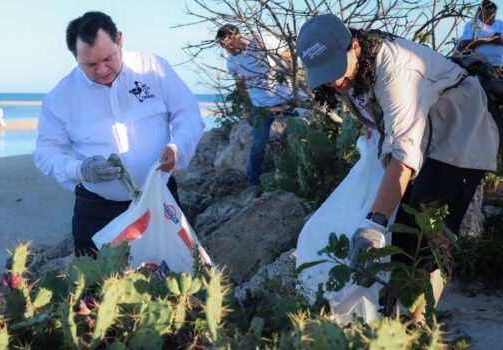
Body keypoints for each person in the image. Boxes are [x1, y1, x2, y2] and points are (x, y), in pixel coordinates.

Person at [297, 14, 499, 322]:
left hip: (460, 134)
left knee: (427, 229)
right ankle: (396, 317)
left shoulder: (395, 70)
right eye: (325, 76)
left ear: (354, 46)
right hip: (424, 135)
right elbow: (376, 114)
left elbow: (403, 155)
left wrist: (372, 225)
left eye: (336, 70)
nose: (335, 81)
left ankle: (418, 323)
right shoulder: (354, 69)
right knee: (401, 231)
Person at [34, 11, 204, 257]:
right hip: (96, 210)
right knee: (95, 291)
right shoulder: (60, 97)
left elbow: (188, 114)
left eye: (108, 59)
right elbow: (45, 153)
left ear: (120, 40)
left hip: (160, 200)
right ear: (75, 56)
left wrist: (177, 147)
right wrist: (80, 170)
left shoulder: (153, 68)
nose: (102, 70)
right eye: (90, 64)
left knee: (169, 282)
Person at [216, 24, 298, 197]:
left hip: (287, 99)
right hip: (261, 106)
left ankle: (302, 174)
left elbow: (288, 55)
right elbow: (241, 85)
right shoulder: (232, 61)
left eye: (228, 45)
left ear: (237, 37)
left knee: (301, 134)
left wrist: (292, 78)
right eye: (223, 47)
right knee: (258, 145)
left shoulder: (262, 40)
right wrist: (247, 108)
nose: (228, 50)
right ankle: (252, 183)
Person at [458, 0, 503, 67]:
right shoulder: (473, 24)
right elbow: (464, 43)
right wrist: (486, 40)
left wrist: (498, 41)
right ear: (480, 13)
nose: (491, 17)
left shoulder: (500, 24)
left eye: (493, 14)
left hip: (499, 65)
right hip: (479, 65)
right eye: (488, 14)